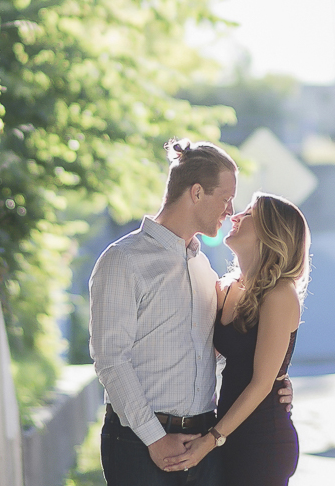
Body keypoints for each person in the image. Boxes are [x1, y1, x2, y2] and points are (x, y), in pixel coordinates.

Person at [89, 138, 293, 485]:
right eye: (226, 199)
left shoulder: (205, 270)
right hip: (138, 443)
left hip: (204, 442)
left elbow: (224, 350)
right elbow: (110, 359)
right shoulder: (123, 260)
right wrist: (154, 438)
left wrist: (275, 382)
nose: (231, 211)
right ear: (196, 193)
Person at [163, 193, 310, 486]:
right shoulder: (226, 289)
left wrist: (210, 440)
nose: (235, 217)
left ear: (271, 232)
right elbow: (203, 350)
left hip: (261, 440)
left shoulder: (281, 294)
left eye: (248, 214)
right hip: (228, 434)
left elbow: (261, 383)